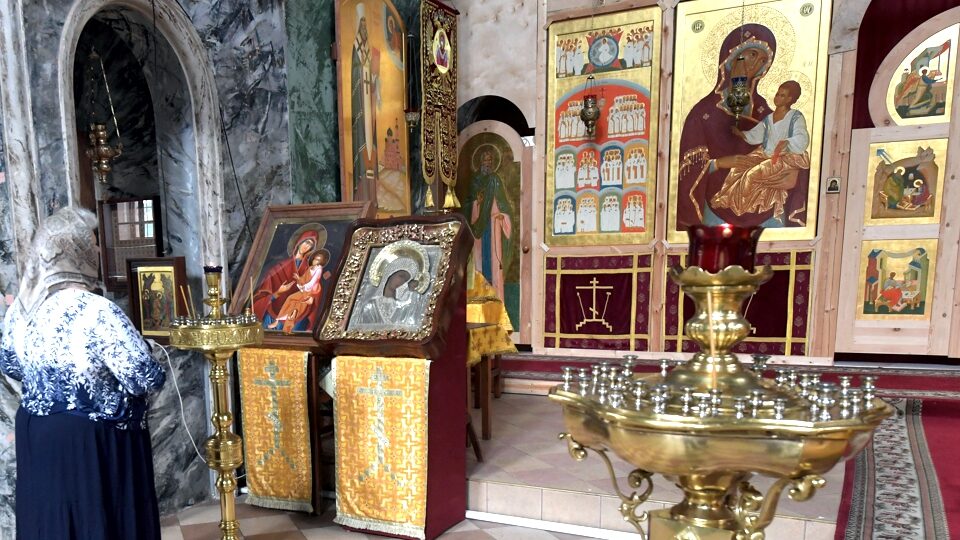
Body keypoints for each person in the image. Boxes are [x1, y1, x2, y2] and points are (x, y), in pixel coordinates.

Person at [0, 206, 166, 539]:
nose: (99, 252)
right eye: (91, 245)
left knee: (51, 521)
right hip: (91, 444)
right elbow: (143, 377)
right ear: (76, 251)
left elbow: (10, 364)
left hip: (37, 435)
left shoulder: (20, 309)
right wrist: (151, 350)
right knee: (97, 521)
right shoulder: (97, 310)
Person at [676, 25, 811, 230]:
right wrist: (719, 163)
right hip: (715, 210)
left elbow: (792, 150)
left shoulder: (767, 112)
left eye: (763, 61)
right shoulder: (703, 113)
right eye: (752, 55)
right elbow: (686, 169)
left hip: (765, 207)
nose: (755, 65)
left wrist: (794, 175)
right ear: (730, 57)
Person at [709, 80, 811, 224]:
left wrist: (788, 142)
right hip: (764, 154)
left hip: (783, 158)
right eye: (777, 94)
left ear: (790, 99)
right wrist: (741, 134)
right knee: (738, 168)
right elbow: (757, 134)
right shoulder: (769, 118)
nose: (777, 97)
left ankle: (741, 210)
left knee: (751, 175)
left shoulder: (795, 117)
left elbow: (802, 137)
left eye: (782, 95)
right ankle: (726, 199)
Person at [463, 147, 514, 302]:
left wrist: (503, 216)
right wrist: (476, 203)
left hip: (494, 225)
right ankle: (479, 297)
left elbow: (504, 205)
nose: (488, 163)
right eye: (485, 160)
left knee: (493, 262)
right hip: (478, 227)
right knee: (479, 260)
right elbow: (467, 206)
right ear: (480, 162)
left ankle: (495, 297)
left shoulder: (495, 180)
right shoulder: (474, 181)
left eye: (490, 160)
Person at [254, 225, 326, 333]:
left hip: (297, 314)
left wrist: (312, 298)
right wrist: (278, 293)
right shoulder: (279, 268)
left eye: (311, 245)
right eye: (306, 242)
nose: (307, 246)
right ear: (299, 242)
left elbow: (315, 287)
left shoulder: (310, 269)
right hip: (273, 313)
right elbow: (261, 296)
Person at [351, 2, 380, 206]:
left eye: (365, 23)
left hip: (370, 100)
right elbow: (354, 73)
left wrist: (375, 79)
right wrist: (361, 77)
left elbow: (374, 73)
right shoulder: (356, 48)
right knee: (363, 137)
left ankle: (373, 197)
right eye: (361, 23)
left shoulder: (370, 49)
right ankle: (361, 195)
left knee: (372, 139)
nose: (364, 27)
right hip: (361, 102)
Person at [267, 249, 329, 334]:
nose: (315, 261)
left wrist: (304, 287)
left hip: (308, 292)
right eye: (315, 258)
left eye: (318, 260)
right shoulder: (310, 268)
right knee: (291, 301)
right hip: (303, 290)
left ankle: (283, 324)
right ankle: (280, 321)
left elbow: (313, 282)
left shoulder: (318, 269)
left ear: (322, 262)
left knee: (296, 307)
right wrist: (298, 278)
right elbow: (304, 279)